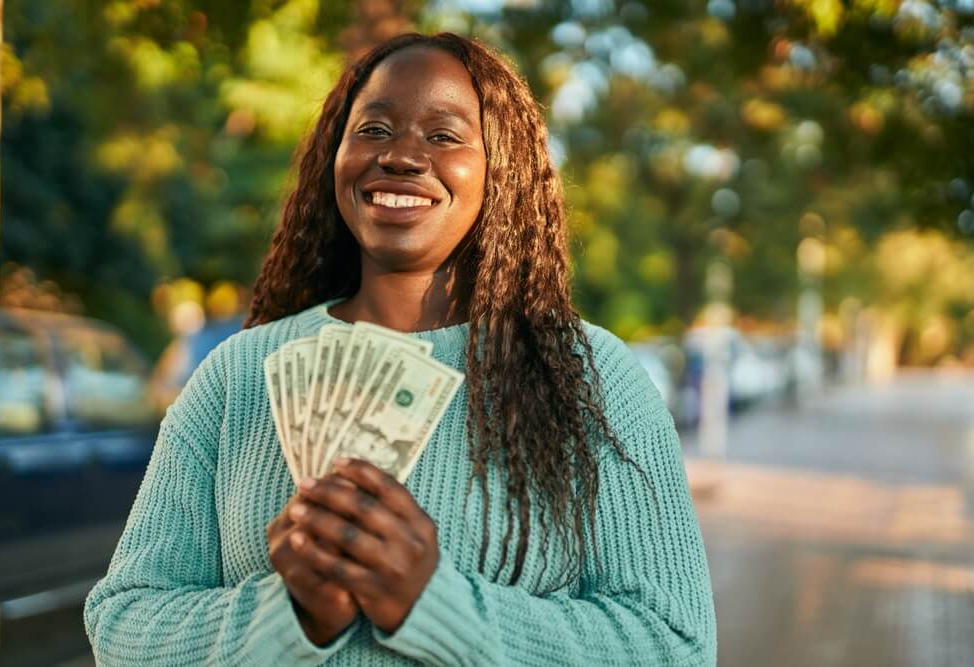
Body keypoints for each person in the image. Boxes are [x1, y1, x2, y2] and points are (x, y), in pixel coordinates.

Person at [84, 32, 717, 666]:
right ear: (336, 154)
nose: (402, 157)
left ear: (502, 170)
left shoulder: (589, 377)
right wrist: (292, 616)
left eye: (444, 136)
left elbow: (675, 645)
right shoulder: (240, 374)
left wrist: (432, 604)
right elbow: (122, 621)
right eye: (374, 130)